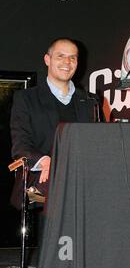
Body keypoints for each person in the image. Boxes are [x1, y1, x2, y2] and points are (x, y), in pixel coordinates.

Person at [9, 37, 101, 209]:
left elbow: (98, 146)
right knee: (47, 204)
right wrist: (45, 161)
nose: (67, 62)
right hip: (40, 192)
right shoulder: (26, 99)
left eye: (73, 57)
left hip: (83, 189)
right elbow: (20, 145)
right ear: (47, 60)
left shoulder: (91, 101)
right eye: (61, 56)